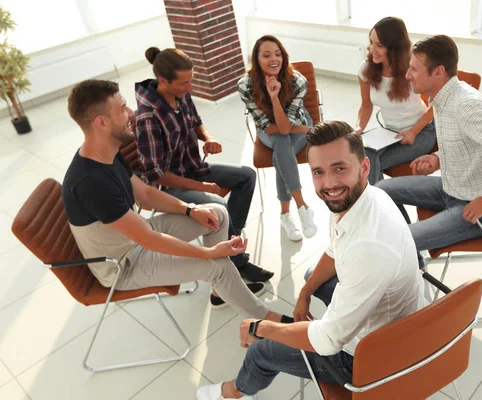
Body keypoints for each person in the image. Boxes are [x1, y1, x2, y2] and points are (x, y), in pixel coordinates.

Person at [196, 120, 424, 400]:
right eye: (319, 172)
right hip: (394, 315)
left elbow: (328, 341)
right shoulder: (364, 197)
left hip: (372, 356)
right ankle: (305, 314)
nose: (329, 184)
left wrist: (260, 326)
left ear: (364, 167)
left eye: (340, 168)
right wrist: (305, 293)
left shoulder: (368, 247)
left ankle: (232, 393)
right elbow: (334, 250)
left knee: (260, 350)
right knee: (311, 278)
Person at [62, 79, 291, 320]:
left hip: (134, 237)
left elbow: (147, 193)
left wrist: (191, 210)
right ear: (102, 123)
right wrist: (209, 253)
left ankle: (220, 291)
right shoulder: (92, 183)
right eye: (123, 108)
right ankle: (271, 323)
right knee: (219, 266)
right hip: (124, 264)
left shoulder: (106, 153)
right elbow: (148, 239)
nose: (132, 112)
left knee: (216, 214)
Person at [376, 35, 482, 269]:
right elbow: (470, 142)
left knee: (395, 240)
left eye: (414, 70)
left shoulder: (464, 104)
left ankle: (405, 251)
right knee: (380, 191)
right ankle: (412, 258)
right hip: (453, 186)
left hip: (479, 209)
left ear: (438, 72)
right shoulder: (442, 98)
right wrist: (437, 159)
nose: (407, 75)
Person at [134, 47, 274, 289]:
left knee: (247, 176)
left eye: (191, 81)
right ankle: (233, 263)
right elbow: (157, 174)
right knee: (217, 204)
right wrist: (200, 186)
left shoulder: (181, 94)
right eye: (183, 83)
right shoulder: (147, 118)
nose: (189, 88)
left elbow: (197, 124)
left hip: (192, 167)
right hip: (166, 187)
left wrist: (208, 137)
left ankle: (229, 244)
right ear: (163, 81)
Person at [237, 35, 318, 242]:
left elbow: (284, 127)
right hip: (269, 129)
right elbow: (277, 128)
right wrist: (273, 98)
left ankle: (285, 214)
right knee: (283, 142)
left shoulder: (297, 81)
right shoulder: (245, 85)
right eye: (266, 55)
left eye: (277, 54)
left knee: (282, 149)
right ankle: (302, 206)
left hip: (293, 122)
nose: (274, 59)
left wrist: (277, 101)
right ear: (257, 59)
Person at [356, 17, 436, 184]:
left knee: (369, 166)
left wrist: (413, 132)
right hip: (390, 133)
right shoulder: (366, 68)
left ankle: (381, 209)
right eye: (371, 42)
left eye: (379, 45)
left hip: (421, 131)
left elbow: (437, 105)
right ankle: (385, 209)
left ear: (394, 48)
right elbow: (366, 105)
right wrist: (358, 129)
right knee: (367, 158)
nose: (371, 49)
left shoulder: (413, 69)